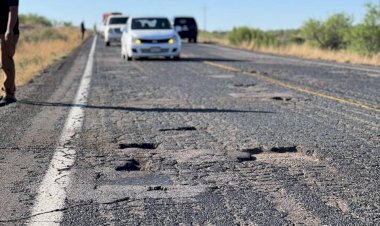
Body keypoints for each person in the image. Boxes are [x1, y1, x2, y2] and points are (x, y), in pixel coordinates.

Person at [0, 0, 19, 107]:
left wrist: (9, 30)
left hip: (7, 33)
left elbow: (13, 10)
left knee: (6, 62)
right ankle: (7, 91)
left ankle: (9, 95)